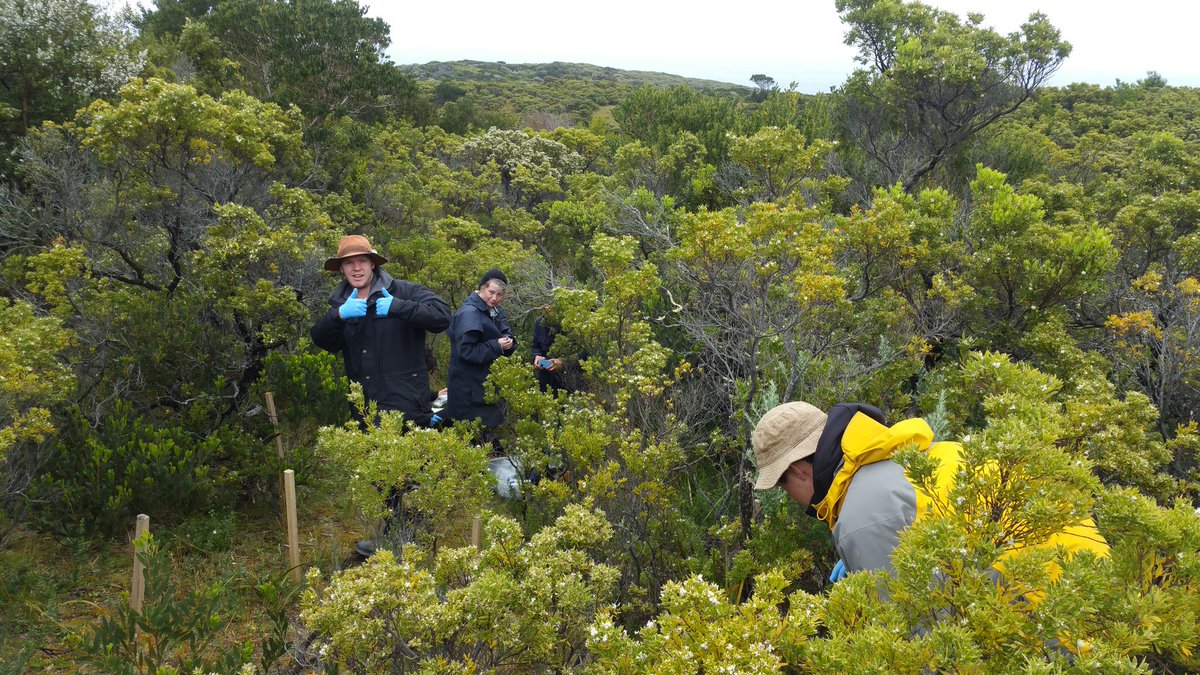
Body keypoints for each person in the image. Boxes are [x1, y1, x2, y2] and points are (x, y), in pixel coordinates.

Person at [752, 401, 1108, 592]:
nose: (792, 499)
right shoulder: (918, 454)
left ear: (799, 469)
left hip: (1053, 631)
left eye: (783, 486)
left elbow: (922, 641)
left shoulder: (863, 517)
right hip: (1102, 591)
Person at [310, 234, 451, 427]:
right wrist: (339, 315)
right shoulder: (340, 303)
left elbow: (442, 316)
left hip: (409, 412)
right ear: (342, 269)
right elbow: (322, 340)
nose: (357, 268)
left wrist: (398, 307)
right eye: (349, 263)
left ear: (373, 264)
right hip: (366, 415)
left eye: (362, 261)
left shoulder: (405, 291)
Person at [443, 269, 516, 431]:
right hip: (469, 393)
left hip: (485, 389)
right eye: (491, 292)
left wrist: (509, 342)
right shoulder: (469, 314)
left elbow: (504, 332)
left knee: (491, 440)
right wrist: (497, 346)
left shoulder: (495, 311)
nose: (494, 298)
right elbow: (467, 351)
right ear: (482, 288)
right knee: (474, 441)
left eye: (500, 295)